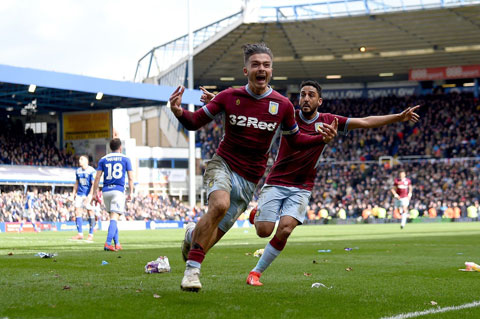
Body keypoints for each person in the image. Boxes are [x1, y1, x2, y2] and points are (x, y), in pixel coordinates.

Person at [169, 43, 337, 292]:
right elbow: (194, 122)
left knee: (212, 236)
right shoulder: (229, 97)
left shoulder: (282, 105)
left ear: (272, 71)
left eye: (266, 65)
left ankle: (192, 236)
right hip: (223, 164)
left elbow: (296, 140)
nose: (262, 69)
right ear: (246, 70)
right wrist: (178, 111)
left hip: (250, 179)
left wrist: (319, 139)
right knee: (219, 205)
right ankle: (192, 273)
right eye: (256, 64)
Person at [245, 80, 420, 286]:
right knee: (263, 231)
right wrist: (223, 105)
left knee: (284, 229)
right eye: (302, 94)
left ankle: (255, 273)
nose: (306, 98)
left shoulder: (329, 121)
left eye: (311, 95)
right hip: (277, 181)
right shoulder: (288, 116)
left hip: (302, 186)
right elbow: (257, 113)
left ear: (319, 101)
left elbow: (365, 121)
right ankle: (258, 214)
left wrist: (398, 117)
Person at [91, 138, 134, 251]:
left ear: (110, 148)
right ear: (120, 147)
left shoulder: (103, 159)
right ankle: (108, 243)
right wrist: (131, 192)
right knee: (114, 218)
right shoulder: (126, 159)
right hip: (118, 191)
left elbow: (97, 178)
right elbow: (130, 177)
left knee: (113, 217)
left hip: (106, 191)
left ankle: (117, 243)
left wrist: (95, 193)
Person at [71, 155, 96, 240]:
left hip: (88, 194)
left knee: (90, 212)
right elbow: (76, 183)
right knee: (77, 211)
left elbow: (94, 184)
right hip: (79, 194)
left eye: (81, 159)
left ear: (86, 161)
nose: (79, 161)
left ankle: (91, 234)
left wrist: (90, 195)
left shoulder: (91, 171)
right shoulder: (77, 171)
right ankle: (80, 234)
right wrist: (73, 194)